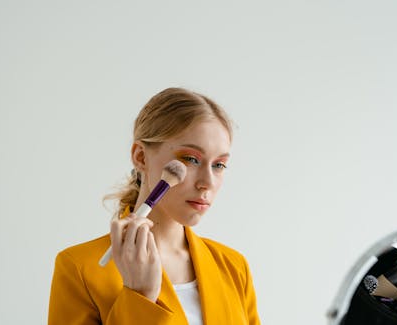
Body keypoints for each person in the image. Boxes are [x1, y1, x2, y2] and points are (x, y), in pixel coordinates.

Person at [48, 87, 261, 324]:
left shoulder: (233, 266)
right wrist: (139, 297)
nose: (207, 183)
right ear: (140, 157)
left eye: (219, 165)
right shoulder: (80, 268)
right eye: (191, 159)